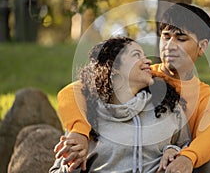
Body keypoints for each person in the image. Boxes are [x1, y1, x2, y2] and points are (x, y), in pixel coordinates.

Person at [54, 3, 210, 173]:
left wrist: (186, 157)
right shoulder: (142, 77)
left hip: (178, 165)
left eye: (181, 39)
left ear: (202, 46)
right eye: (166, 37)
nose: (170, 45)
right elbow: (72, 92)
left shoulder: (209, 100)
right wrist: (79, 132)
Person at [49, 37, 191, 172]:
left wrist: (174, 151)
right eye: (137, 55)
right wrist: (71, 165)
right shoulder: (86, 115)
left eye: (145, 55)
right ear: (114, 66)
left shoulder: (167, 108)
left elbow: (188, 148)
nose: (148, 61)